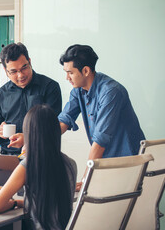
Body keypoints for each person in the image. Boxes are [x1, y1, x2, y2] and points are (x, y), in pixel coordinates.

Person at [9, 44, 145, 189]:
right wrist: (31, 138)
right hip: (106, 164)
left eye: (70, 73)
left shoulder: (111, 92)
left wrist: (86, 179)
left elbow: (100, 141)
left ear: (85, 71)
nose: (67, 78)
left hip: (128, 164)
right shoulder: (78, 90)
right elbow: (63, 121)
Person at [0, 104, 77, 230]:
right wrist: (21, 203)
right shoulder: (71, 163)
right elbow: (50, 204)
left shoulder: (28, 165)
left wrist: (13, 203)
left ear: (29, 133)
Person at [0, 42, 62, 155]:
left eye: (24, 68)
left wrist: (28, 138)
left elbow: (54, 125)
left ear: (29, 61)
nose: (20, 75)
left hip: (42, 155)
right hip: (9, 156)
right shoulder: (1, 93)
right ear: (5, 71)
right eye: (13, 71)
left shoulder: (50, 87)